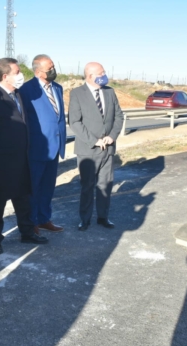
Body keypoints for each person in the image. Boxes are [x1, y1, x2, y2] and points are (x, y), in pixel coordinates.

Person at [0, 57, 48, 254]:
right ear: (5, 76)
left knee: (23, 198)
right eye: (17, 72)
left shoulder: (19, 94)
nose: (20, 76)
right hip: (1, 163)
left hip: (21, 160)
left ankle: (27, 232)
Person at [68, 62, 124, 231]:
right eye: (101, 72)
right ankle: (84, 219)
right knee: (87, 186)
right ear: (90, 75)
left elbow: (119, 117)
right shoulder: (77, 94)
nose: (105, 74)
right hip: (88, 149)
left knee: (105, 184)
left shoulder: (110, 91)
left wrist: (111, 136)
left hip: (108, 147)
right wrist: (94, 140)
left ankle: (103, 217)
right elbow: (75, 122)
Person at [19, 54, 67, 234]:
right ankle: (31, 223)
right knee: (34, 188)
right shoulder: (26, 90)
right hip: (37, 148)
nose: (54, 70)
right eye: (50, 68)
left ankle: (44, 218)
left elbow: (58, 116)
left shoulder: (58, 88)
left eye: (54, 66)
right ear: (39, 72)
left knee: (48, 186)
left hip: (55, 146)